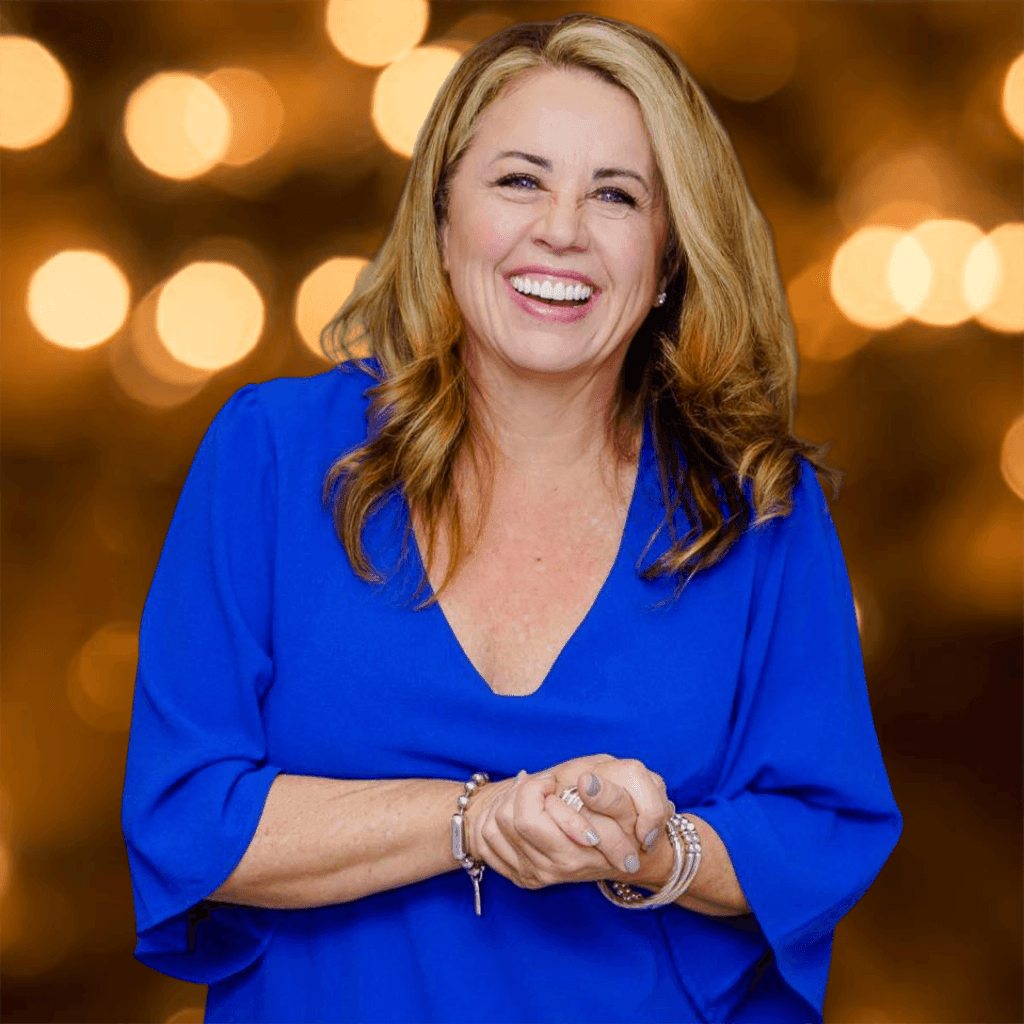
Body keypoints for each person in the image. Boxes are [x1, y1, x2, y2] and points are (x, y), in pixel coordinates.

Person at [121, 14, 901, 1024]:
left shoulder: (755, 506)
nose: (562, 229)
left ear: (667, 257)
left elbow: (818, 829)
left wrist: (659, 852)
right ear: (442, 220)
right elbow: (186, 816)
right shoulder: (270, 454)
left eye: (615, 195)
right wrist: (476, 820)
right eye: (519, 180)